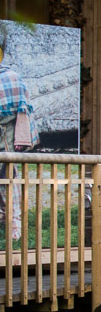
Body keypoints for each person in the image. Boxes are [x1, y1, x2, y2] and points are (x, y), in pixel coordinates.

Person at [0, 27, 39, 242]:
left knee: (9, 186)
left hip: (6, 144)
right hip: (6, 143)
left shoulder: (12, 78)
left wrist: (21, 139)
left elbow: (23, 113)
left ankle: (13, 230)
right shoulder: (13, 77)